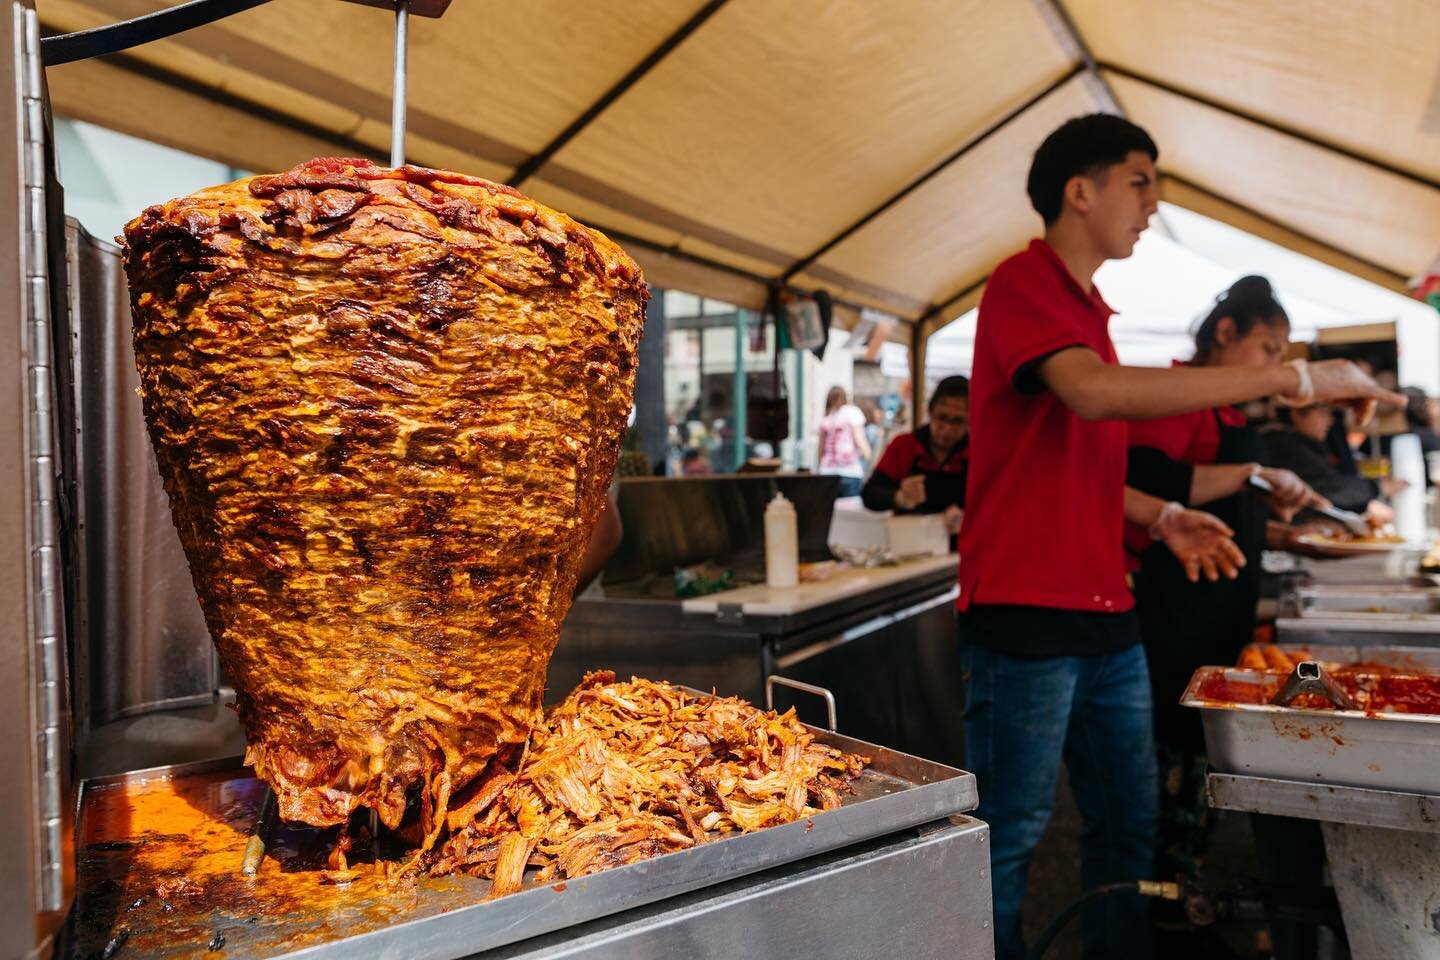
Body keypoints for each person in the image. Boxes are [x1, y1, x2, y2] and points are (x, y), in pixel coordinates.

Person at [956, 113, 1402, 960]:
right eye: (1140, 181)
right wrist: (1295, 376)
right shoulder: (1023, 283)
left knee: (1131, 821)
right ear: (1079, 191)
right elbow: (1091, 396)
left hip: (1108, 608)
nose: (1152, 203)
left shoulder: (1091, 309)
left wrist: (1158, 515)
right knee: (1009, 834)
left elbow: (1071, 458)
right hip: (1024, 610)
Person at [1123, 278, 1334, 913]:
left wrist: (1282, 529)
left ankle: (1189, 884)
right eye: (1268, 349)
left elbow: (1226, 505)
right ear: (1225, 333)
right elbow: (1153, 482)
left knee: (1206, 743)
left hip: (1223, 602)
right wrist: (1249, 474)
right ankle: (1159, 896)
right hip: (1178, 601)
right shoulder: (1173, 394)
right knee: (1174, 746)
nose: (1274, 368)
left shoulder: (1231, 413)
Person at [861, 375, 970, 533]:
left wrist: (967, 517)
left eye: (957, 421)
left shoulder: (977, 454)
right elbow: (870, 495)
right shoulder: (904, 446)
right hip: (909, 546)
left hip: (959, 548)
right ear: (930, 412)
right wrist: (899, 497)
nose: (947, 428)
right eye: (942, 417)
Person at [1261, 403, 1402, 521]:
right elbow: (1329, 487)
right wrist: (1378, 487)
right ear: (1297, 412)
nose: (1330, 420)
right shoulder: (1283, 444)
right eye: (1323, 414)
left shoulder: (1304, 442)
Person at [816, 386, 871, 497]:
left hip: (827, 471)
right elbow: (859, 440)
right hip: (849, 470)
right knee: (850, 512)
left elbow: (820, 448)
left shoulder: (827, 416)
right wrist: (870, 458)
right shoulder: (852, 412)